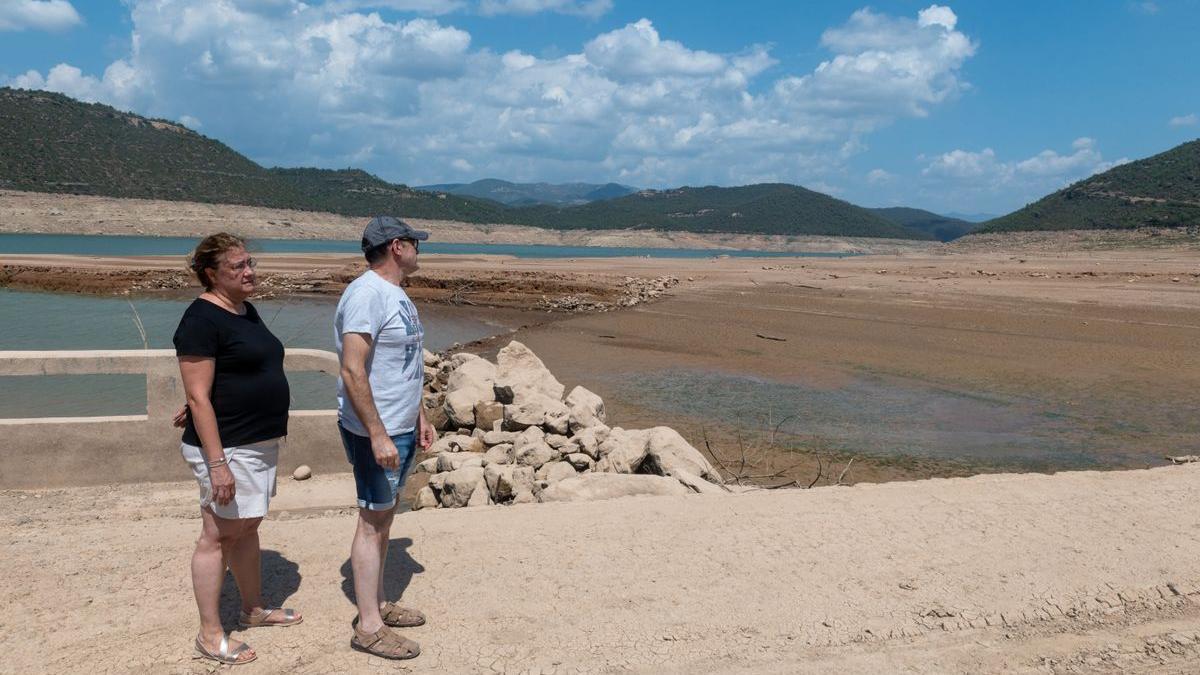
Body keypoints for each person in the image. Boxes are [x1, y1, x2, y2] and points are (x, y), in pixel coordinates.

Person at [174, 233, 302, 666]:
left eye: (250, 263)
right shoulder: (200, 319)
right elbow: (198, 395)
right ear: (211, 274)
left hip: (257, 443)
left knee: (247, 528)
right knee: (217, 536)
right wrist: (217, 465)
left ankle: (252, 610)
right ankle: (210, 635)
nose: (249, 272)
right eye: (238, 267)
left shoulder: (245, 310)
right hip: (226, 449)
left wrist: (205, 396)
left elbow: (225, 374)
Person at [335, 215, 436, 660]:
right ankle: (369, 627)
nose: (420, 250)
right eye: (415, 243)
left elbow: (404, 365)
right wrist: (377, 434)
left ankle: (376, 603)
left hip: (401, 425)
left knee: (386, 517)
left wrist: (421, 415)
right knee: (371, 520)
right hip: (376, 431)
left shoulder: (396, 295)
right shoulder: (366, 295)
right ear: (397, 246)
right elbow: (352, 369)